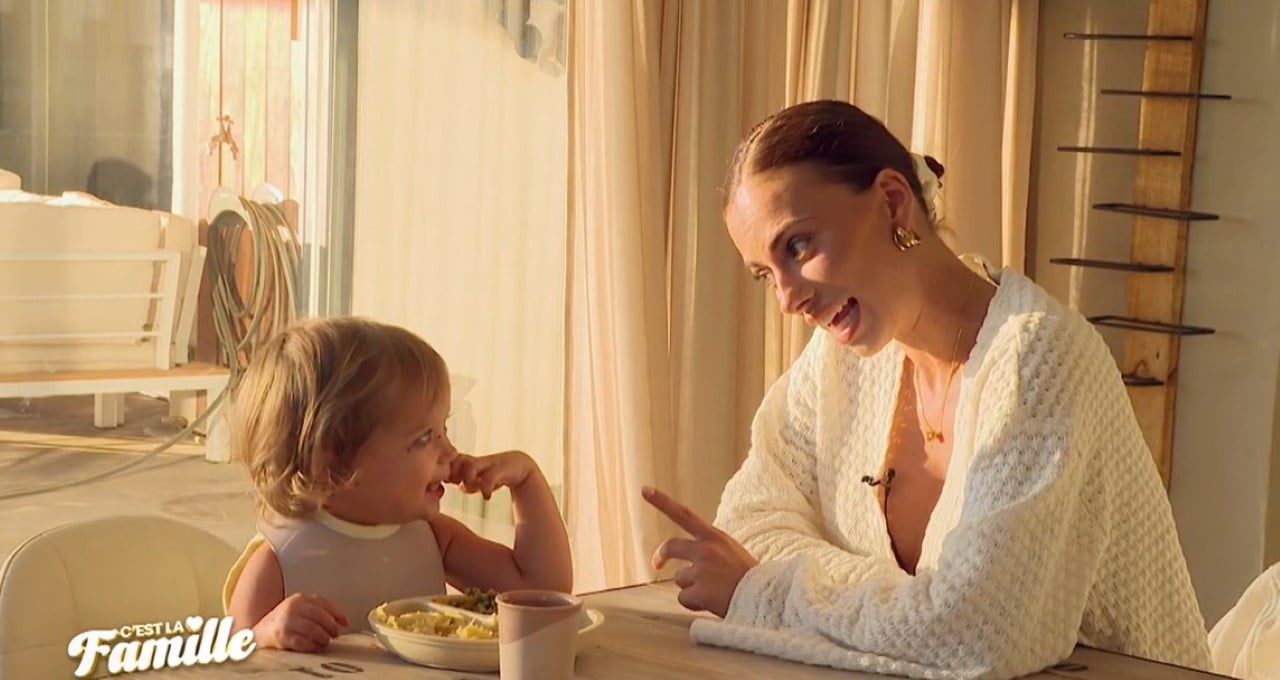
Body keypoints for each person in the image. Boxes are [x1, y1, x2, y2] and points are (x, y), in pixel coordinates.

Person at [643, 99, 1212, 680]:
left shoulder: (1039, 358)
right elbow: (751, 523)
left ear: (893, 201)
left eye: (797, 246)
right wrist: (915, 607)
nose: (788, 300)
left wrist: (763, 592)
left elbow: (978, 636)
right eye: (766, 274)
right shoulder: (844, 357)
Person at [222, 317, 571, 652]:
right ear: (333, 463)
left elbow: (541, 594)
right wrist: (265, 633)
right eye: (424, 438)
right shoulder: (280, 558)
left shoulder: (433, 537)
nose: (449, 451)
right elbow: (227, 659)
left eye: (443, 430)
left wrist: (527, 482)